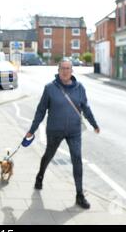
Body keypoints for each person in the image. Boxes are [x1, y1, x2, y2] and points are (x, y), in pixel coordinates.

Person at [23, 58, 100, 209]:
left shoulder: (80, 88)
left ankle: (79, 195)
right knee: (48, 155)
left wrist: (94, 124)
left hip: (74, 131)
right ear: (58, 71)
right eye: (62, 68)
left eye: (68, 68)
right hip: (54, 130)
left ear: (72, 71)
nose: (65, 71)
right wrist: (32, 130)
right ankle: (40, 175)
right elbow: (41, 111)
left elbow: (86, 108)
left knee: (77, 159)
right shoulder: (50, 88)